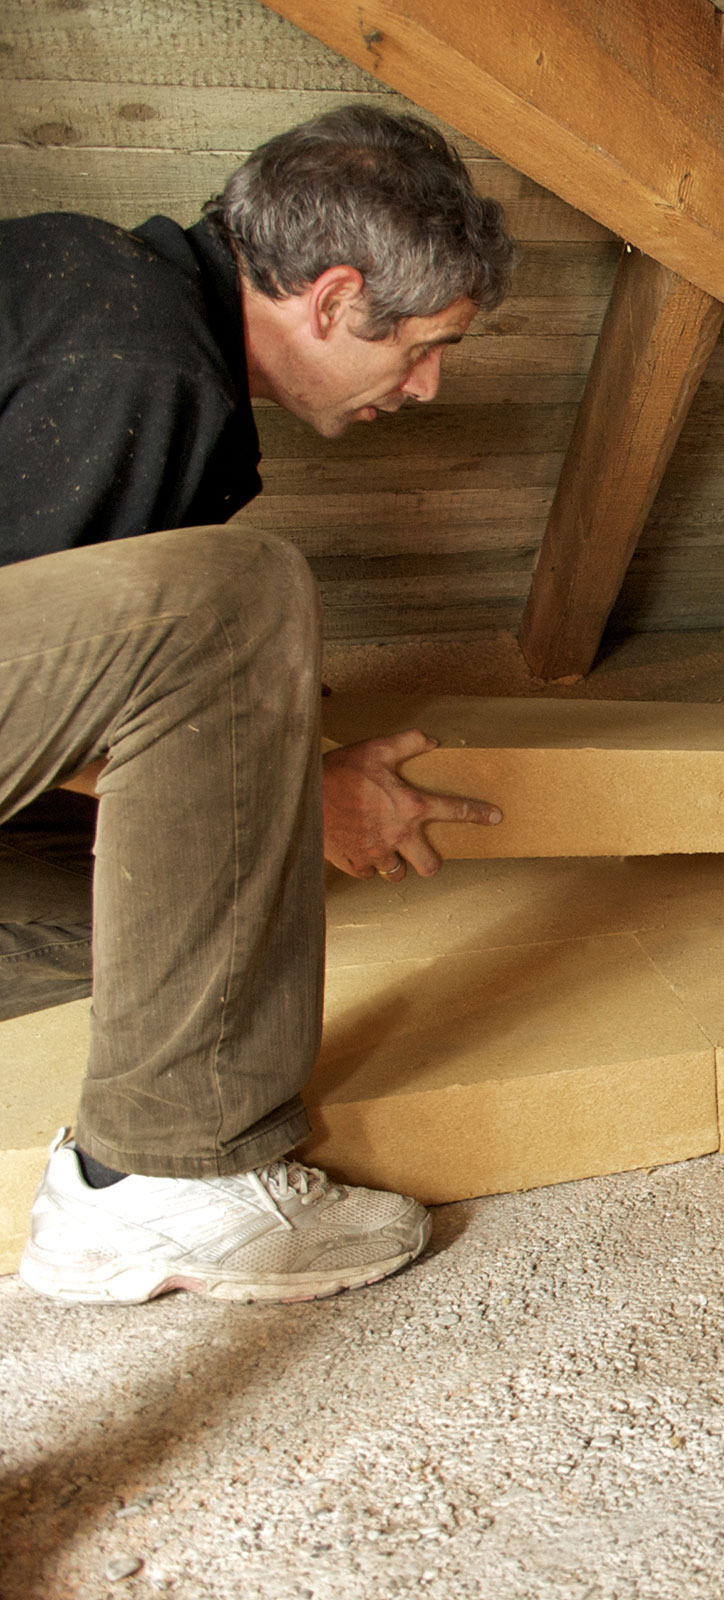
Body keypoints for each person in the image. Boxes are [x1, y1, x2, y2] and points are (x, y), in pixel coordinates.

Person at [0, 106, 516, 1305]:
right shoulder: (137, 363)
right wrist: (299, 783)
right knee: (235, 596)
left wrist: (265, 803)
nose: (430, 386)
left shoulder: (104, 295)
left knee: (173, 934)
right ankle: (155, 1180)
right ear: (333, 299)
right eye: (425, 345)